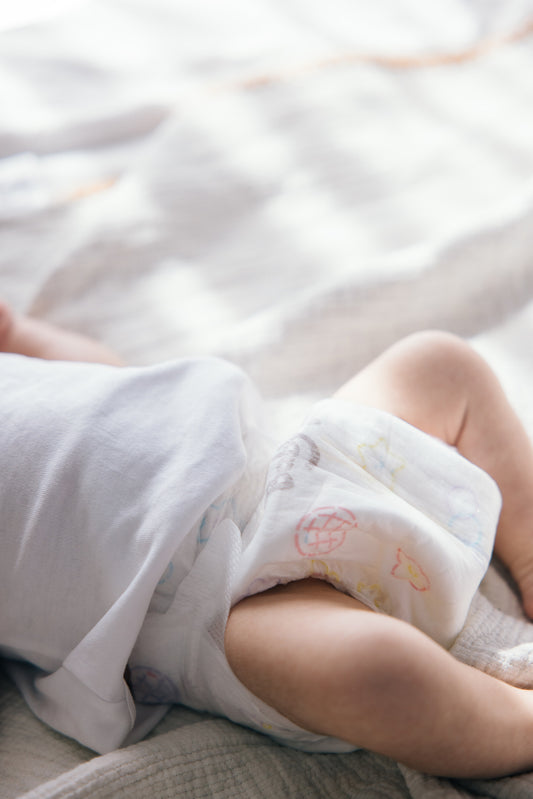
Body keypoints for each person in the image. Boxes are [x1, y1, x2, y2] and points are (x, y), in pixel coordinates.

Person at [2, 299, 533, 780]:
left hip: (298, 461)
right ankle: (517, 722)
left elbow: (100, 382)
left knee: (438, 364)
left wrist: (17, 332)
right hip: (217, 602)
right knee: (368, 673)